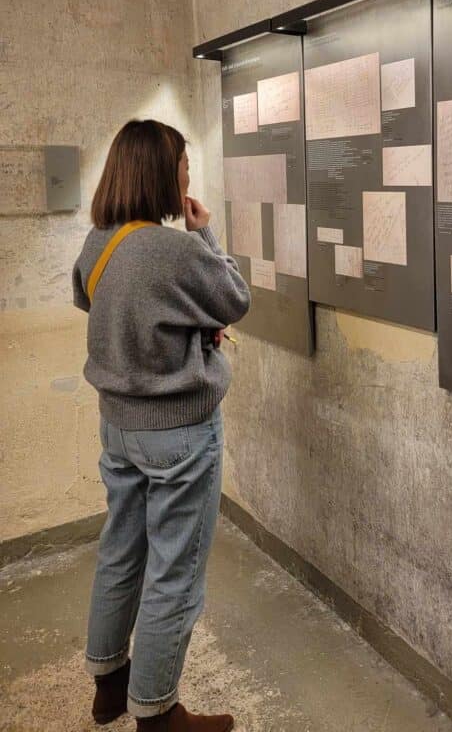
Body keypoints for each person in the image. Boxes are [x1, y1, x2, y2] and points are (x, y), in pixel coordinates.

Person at [72, 119, 251, 732]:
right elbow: (234, 297)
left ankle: (108, 686)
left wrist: (171, 328)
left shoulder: (100, 241)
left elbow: (92, 298)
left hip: (118, 427)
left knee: (120, 552)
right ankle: (157, 713)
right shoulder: (175, 249)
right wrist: (206, 234)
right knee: (174, 572)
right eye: (182, 168)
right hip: (177, 432)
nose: (187, 179)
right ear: (159, 174)